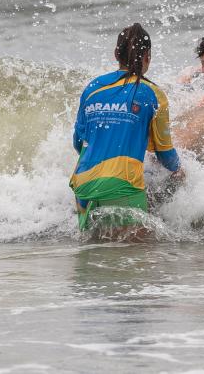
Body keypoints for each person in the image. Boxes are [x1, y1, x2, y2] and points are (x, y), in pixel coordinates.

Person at [70, 23, 183, 240]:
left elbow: (78, 142)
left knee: (93, 258)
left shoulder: (93, 87)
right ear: (148, 56)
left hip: (83, 185)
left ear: (116, 54)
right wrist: (179, 171)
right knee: (137, 261)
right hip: (123, 186)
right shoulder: (153, 93)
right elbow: (165, 153)